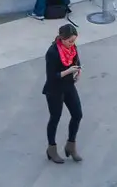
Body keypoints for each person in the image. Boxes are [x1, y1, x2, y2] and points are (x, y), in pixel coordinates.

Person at [43, 22, 83, 164]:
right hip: (54, 89)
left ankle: (71, 144)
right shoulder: (52, 52)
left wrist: (78, 71)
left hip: (68, 86)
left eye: (74, 41)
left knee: (77, 114)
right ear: (62, 38)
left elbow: (77, 61)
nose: (72, 44)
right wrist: (68, 71)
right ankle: (51, 148)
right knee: (55, 118)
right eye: (69, 41)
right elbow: (52, 76)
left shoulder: (72, 48)